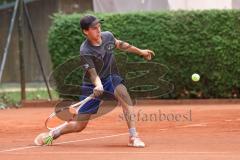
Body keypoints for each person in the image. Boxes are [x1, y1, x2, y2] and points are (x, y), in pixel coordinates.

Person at [34, 15, 155, 148]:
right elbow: (92, 74)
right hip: (91, 84)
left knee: (124, 95)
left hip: (110, 77)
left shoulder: (107, 36)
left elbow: (120, 44)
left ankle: (133, 136)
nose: (98, 30)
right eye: (94, 28)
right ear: (86, 31)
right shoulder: (85, 50)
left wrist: (140, 52)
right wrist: (98, 85)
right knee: (79, 125)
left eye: (99, 26)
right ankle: (54, 133)